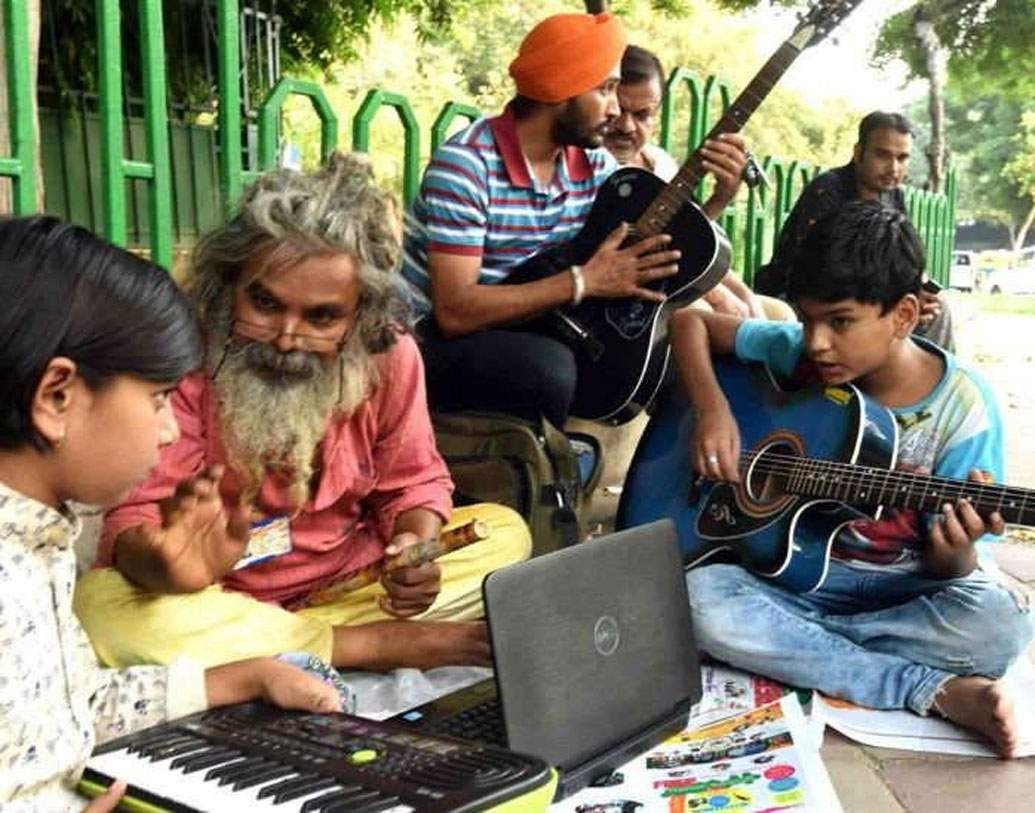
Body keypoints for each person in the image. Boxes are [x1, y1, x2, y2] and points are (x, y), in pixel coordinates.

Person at [74, 153, 530, 674]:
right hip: (212, 597)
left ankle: (287, 642)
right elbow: (135, 519)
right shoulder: (183, 356)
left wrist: (417, 549)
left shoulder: (389, 354)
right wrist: (167, 567)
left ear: (361, 316)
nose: (287, 339)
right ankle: (371, 645)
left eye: (322, 317)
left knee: (505, 532)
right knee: (102, 609)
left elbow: (413, 482)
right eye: (265, 305)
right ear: (228, 286)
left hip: (349, 581)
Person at [0, 216, 347, 811]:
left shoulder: (42, 542)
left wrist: (244, 676)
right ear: (58, 397)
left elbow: (69, 710)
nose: (168, 430)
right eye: (158, 399)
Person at [669, 201, 1033, 757]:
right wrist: (712, 410)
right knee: (700, 600)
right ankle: (927, 687)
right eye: (807, 319)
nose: (817, 341)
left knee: (1001, 627)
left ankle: (803, 651)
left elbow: (955, 569)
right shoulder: (799, 353)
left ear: (904, 315)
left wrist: (955, 553)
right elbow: (689, 322)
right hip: (790, 579)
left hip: (903, 592)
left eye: (840, 321)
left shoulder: (966, 408)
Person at [401, 12, 750, 428]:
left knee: (669, 359)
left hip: (529, 320)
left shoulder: (594, 166)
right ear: (560, 90)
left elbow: (648, 244)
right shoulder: (467, 166)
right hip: (431, 341)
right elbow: (454, 313)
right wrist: (583, 282)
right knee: (547, 369)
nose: (615, 108)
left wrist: (719, 198)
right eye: (605, 89)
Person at [605, 44, 795, 323]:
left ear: (657, 115)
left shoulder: (660, 163)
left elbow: (687, 238)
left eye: (642, 115)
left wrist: (722, 196)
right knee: (711, 316)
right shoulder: (589, 169)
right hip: (629, 300)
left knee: (780, 315)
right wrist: (718, 296)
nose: (626, 126)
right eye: (619, 110)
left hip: (676, 276)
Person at [752, 110, 955, 351]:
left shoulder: (894, 196)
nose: (893, 168)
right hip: (806, 299)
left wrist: (918, 289)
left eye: (902, 158)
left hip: (865, 299)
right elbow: (827, 275)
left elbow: (902, 259)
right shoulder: (827, 191)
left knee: (936, 308)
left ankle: (935, 375)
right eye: (882, 155)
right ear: (859, 153)